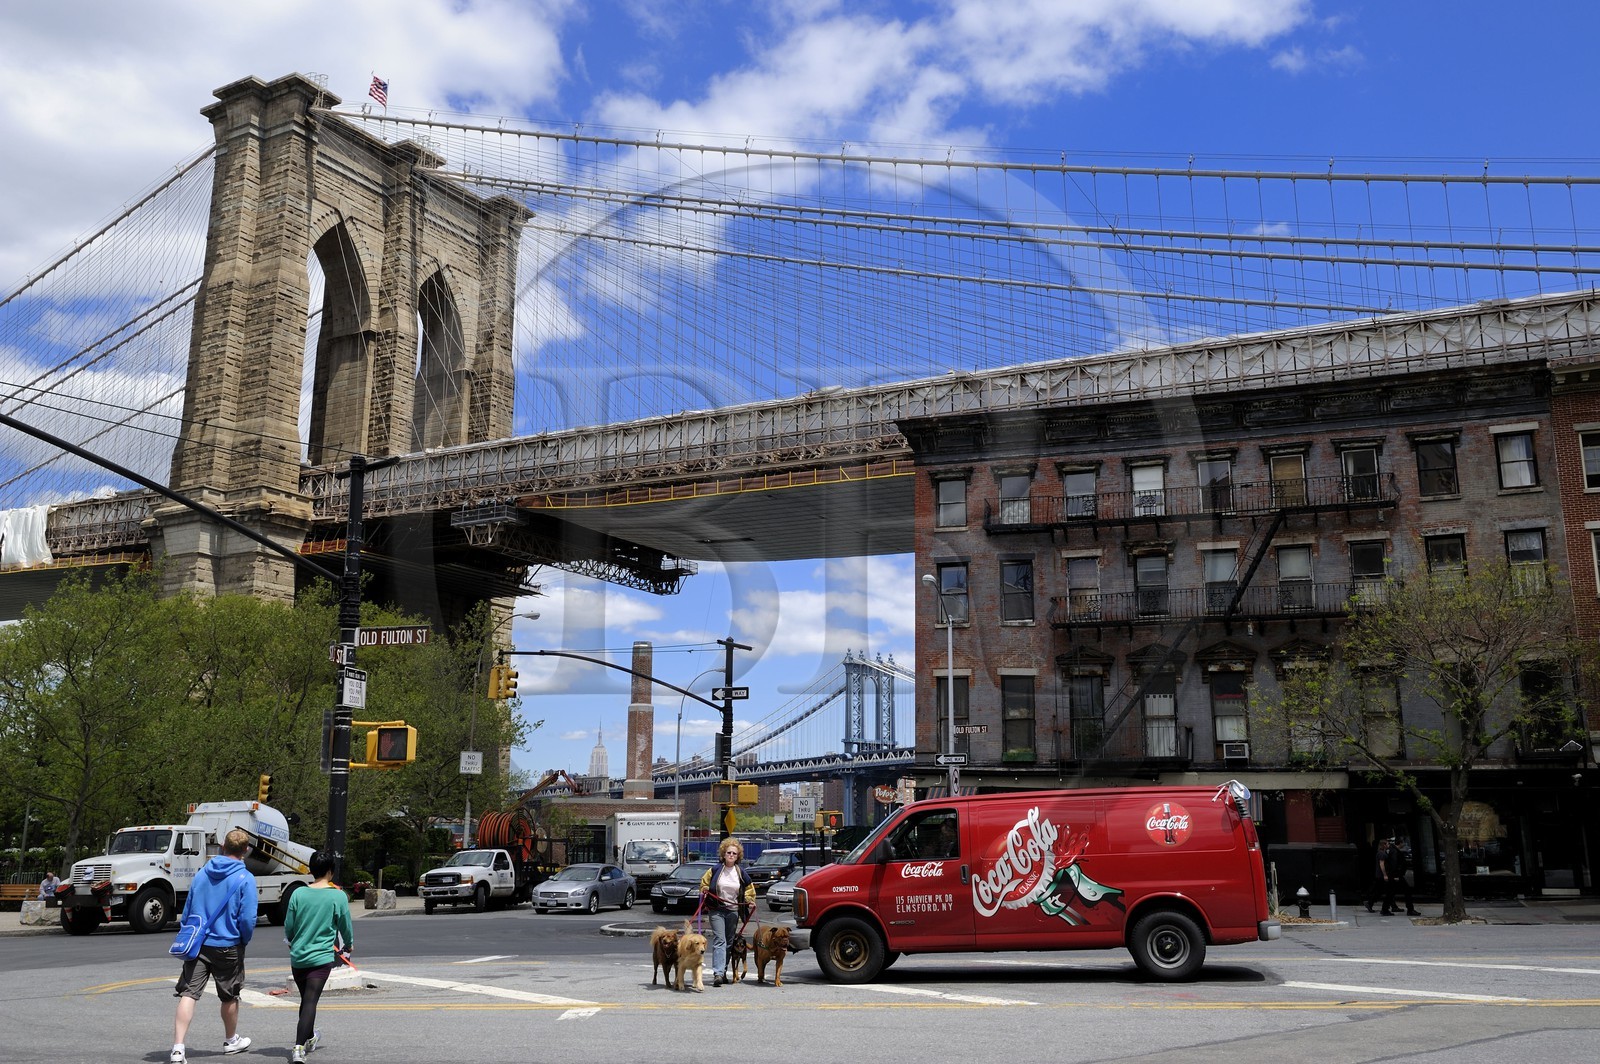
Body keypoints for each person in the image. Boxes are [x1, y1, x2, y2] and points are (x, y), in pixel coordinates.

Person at [171, 827, 257, 1064]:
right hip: (228, 944)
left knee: (189, 994)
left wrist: (186, 933)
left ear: (222, 847)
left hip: (198, 944)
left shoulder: (202, 874)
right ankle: (231, 1040)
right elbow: (248, 918)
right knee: (229, 996)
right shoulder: (245, 878)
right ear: (246, 851)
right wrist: (243, 939)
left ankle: (178, 1048)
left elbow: (188, 910)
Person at [283, 850, 354, 1063]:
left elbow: (289, 926)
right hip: (321, 958)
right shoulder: (337, 896)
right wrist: (349, 945)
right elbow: (345, 926)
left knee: (307, 1001)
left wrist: (293, 941)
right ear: (330, 871)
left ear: (312, 870)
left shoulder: (298, 893)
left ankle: (310, 1037)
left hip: (298, 957)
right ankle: (297, 1047)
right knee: (310, 1001)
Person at [698, 838, 755, 988]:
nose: (731, 855)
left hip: (733, 911)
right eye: (728, 852)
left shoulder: (741, 873)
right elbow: (704, 883)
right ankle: (717, 973)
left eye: (734, 853)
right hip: (717, 909)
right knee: (720, 940)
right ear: (723, 854)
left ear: (738, 856)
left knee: (730, 942)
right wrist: (704, 890)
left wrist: (749, 900)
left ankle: (723, 972)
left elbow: (749, 889)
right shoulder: (715, 870)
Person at [1386, 838, 1421, 916]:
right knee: (1407, 891)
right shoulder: (1395, 851)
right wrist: (1396, 875)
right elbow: (1394, 864)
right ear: (1400, 843)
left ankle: (1385, 909)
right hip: (1397, 875)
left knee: (1391, 892)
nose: (1404, 844)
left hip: (1396, 875)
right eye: (1403, 843)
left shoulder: (1393, 850)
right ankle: (1410, 909)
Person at [1364, 839, 1393, 914]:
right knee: (1383, 890)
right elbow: (1381, 864)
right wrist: (1385, 875)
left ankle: (1370, 903)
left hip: (1379, 875)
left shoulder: (1380, 853)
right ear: (1383, 845)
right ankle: (1370, 903)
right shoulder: (1381, 854)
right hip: (1381, 875)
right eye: (1387, 844)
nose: (1388, 845)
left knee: (1379, 890)